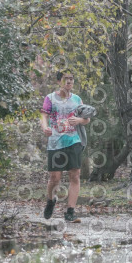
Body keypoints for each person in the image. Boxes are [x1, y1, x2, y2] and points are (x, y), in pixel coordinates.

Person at [40, 70, 91, 222]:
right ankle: (51, 200)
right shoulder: (50, 98)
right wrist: (45, 128)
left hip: (74, 141)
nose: (69, 81)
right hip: (55, 142)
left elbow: (86, 119)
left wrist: (79, 121)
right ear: (59, 82)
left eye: (71, 79)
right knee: (55, 177)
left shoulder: (77, 99)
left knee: (74, 175)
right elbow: (43, 115)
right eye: (65, 79)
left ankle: (70, 211)